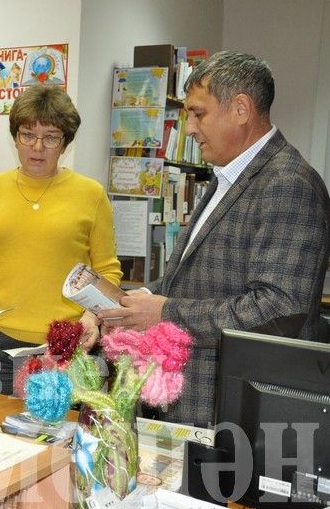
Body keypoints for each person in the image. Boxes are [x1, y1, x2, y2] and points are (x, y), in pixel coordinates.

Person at [99, 50, 330, 427]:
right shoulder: (227, 175)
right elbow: (193, 279)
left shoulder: (287, 184)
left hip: (233, 408)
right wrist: (133, 302)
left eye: (197, 113)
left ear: (241, 109)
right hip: (194, 397)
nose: (189, 128)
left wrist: (164, 312)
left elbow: (278, 310)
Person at [0, 85, 122, 395]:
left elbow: (107, 271)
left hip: (66, 345)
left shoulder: (91, 194)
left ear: (65, 144)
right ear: (15, 137)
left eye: (50, 137)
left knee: (59, 438)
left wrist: (93, 316)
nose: (37, 147)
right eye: (27, 135)